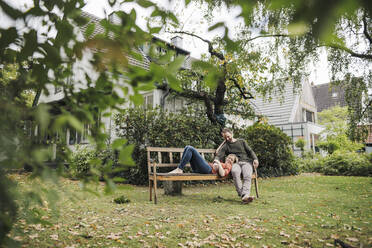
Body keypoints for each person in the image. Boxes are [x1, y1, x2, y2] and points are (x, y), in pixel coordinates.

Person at [214, 128, 259, 203]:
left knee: (247, 175)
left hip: (246, 162)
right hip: (235, 164)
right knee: (235, 172)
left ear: (232, 133)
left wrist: (255, 159)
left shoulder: (242, 141)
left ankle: (244, 195)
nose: (228, 139)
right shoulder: (226, 145)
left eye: (228, 136)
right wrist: (216, 161)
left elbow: (250, 151)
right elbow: (218, 154)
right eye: (225, 138)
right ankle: (244, 195)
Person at [169, 145, 237, 177]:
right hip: (201, 169)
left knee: (190, 148)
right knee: (187, 147)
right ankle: (179, 169)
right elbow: (218, 151)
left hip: (208, 169)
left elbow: (222, 174)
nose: (229, 160)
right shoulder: (224, 163)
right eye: (229, 158)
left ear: (233, 163)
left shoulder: (229, 166)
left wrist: (218, 164)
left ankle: (180, 169)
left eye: (231, 160)